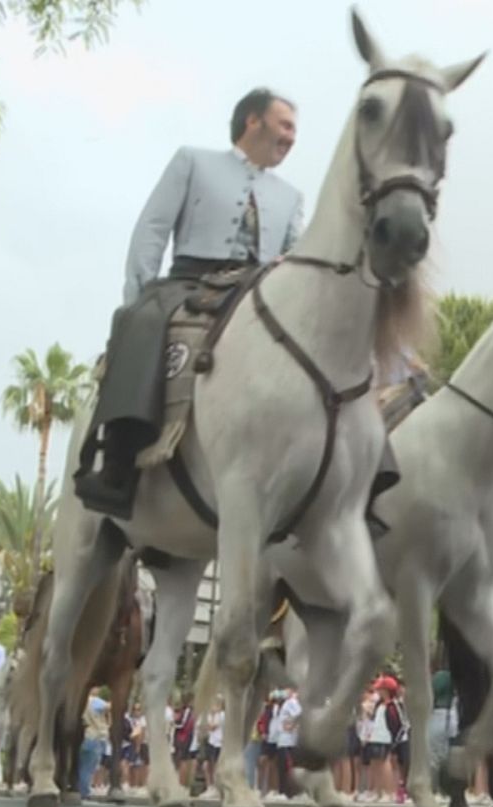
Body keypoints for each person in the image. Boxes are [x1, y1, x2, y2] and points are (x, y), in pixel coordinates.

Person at [74, 87, 306, 517]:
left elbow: (296, 255)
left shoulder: (291, 197)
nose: (292, 137)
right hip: (190, 280)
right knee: (143, 322)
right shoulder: (192, 161)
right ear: (253, 121)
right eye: (286, 125)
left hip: (257, 288)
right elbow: (152, 228)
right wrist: (139, 293)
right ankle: (119, 460)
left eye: (295, 130)